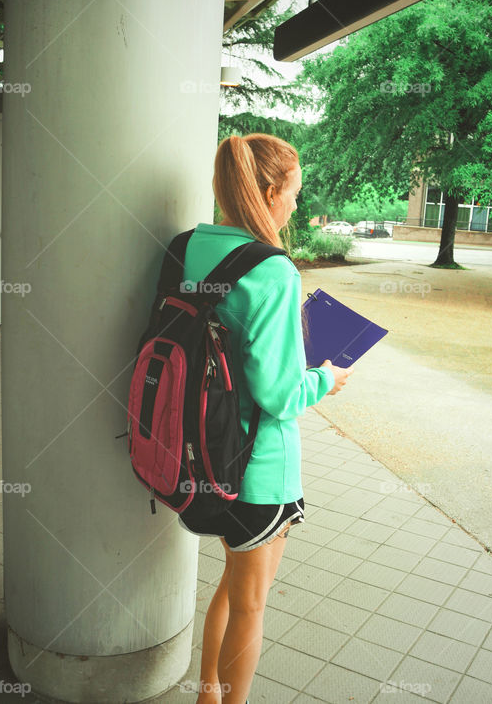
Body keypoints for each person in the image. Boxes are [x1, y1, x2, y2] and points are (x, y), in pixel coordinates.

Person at [177, 133, 353, 703]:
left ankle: (207, 694)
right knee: (251, 603)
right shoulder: (273, 270)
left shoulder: (188, 247)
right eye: (295, 194)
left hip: (197, 450)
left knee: (231, 584)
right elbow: (278, 394)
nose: (297, 206)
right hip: (257, 466)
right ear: (272, 190)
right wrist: (327, 377)